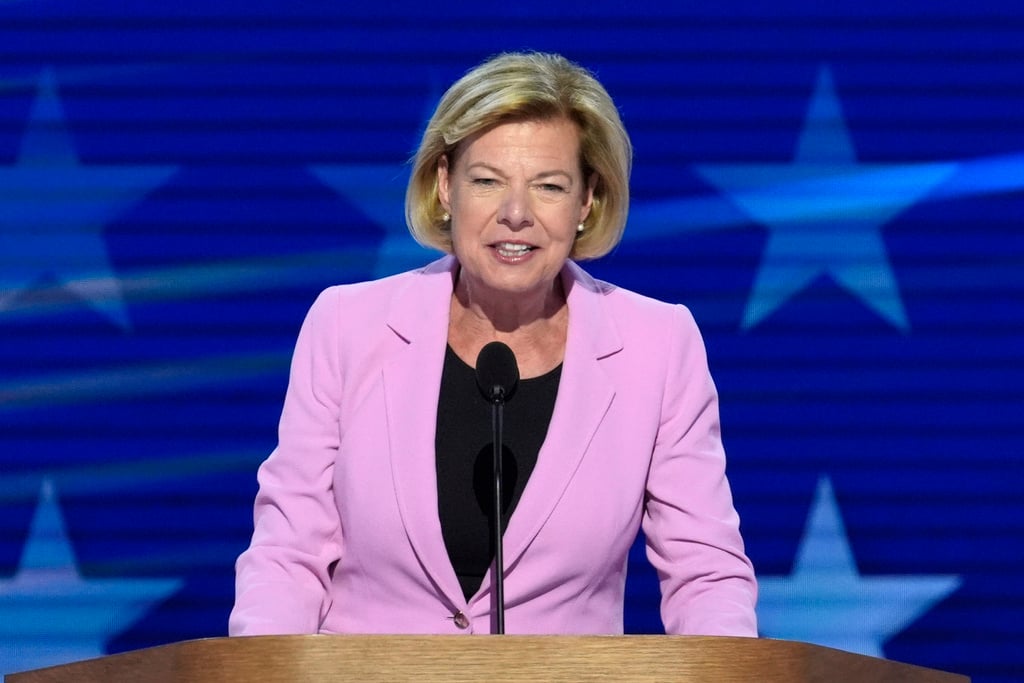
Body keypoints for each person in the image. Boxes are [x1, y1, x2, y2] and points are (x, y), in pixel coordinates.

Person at [229, 51, 757, 637]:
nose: (515, 214)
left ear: (587, 202)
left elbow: (705, 572)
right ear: (444, 188)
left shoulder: (657, 346)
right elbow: (287, 554)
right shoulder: (348, 326)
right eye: (486, 181)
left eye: (549, 187)